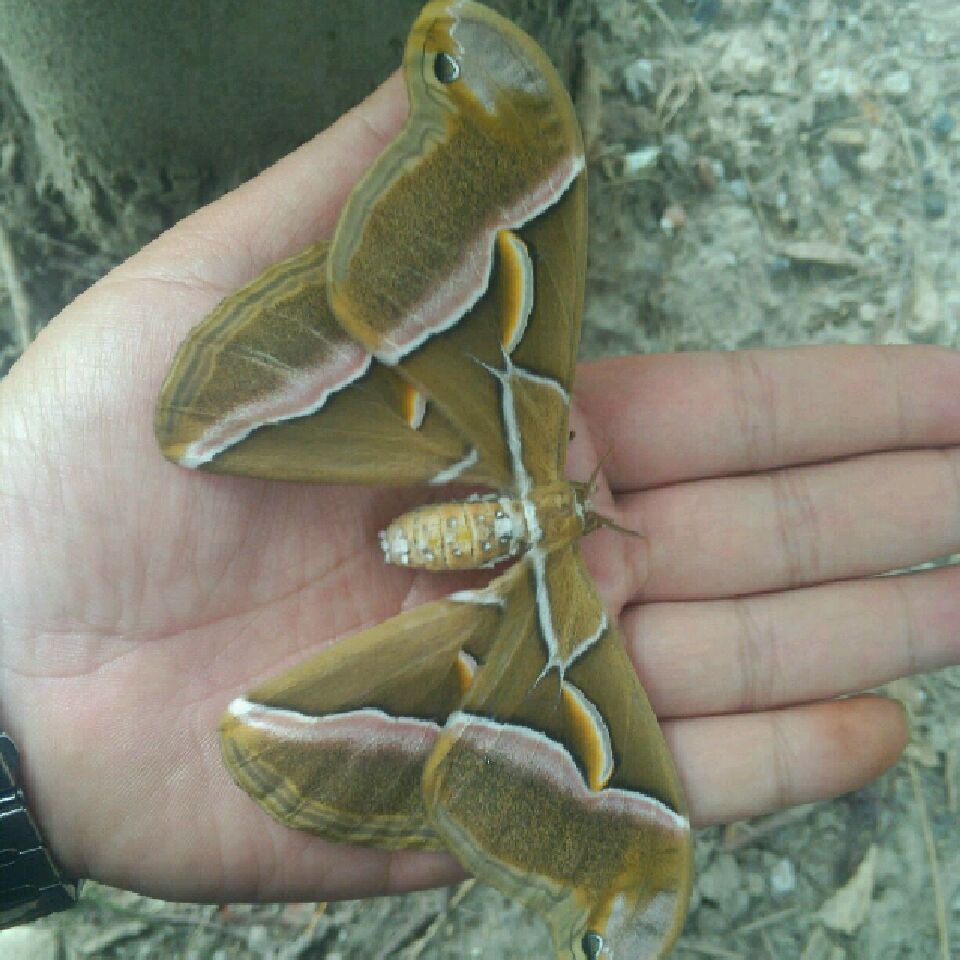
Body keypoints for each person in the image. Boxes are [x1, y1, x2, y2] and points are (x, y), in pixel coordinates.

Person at [1, 70, 957, 908]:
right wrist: (499, 122)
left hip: (438, 482)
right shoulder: (565, 574)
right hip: (438, 516)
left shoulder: (549, 493)